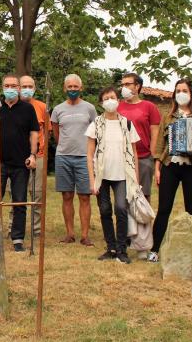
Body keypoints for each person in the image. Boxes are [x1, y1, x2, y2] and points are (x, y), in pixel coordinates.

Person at [148, 78, 192, 263]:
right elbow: (161, 145)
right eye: (177, 90)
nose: (181, 94)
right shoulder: (169, 117)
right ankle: (154, 249)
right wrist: (157, 168)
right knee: (164, 208)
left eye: (184, 90)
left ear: (191, 94)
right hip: (171, 166)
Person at [0, 73, 39, 252]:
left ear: (19, 88)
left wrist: (32, 154)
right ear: (2, 87)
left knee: (19, 202)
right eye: (6, 85)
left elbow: (34, 133)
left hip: (21, 163)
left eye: (14, 86)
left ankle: (17, 239)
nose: (10, 89)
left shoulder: (27, 109)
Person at [85, 88, 140, 264]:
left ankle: (122, 249)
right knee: (105, 210)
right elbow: (89, 154)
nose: (110, 101)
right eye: (106, 98)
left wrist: (136, 180)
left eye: (113, 97)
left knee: (121, 208)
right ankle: (111, 247)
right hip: (102, 175)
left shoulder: (127, 124)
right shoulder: (96, 124)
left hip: (123, 175)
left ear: (118, 100)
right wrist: (92, 181)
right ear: (101, 103)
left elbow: (134, 153)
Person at [51, 74, 97, 246]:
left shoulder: (90, 108)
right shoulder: (58, 109)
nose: (72, 90)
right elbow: (56, 133)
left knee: (85, 196)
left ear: (81, 88)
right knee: (67, 195)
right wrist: (64, 146)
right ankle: (69, 233)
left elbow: (96, 131)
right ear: (64, 88)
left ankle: (85, 235)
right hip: (63, 157)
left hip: (85, 157)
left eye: (75, 87)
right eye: (69, 87)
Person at [117, 72, 160, 203]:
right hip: (121, 158)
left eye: (127, 84)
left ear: (137, 86)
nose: (124, 87)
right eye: (122, 84)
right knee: (123, 198)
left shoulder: (149, 107)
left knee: (143, 197)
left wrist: (152, 156)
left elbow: (155, 132)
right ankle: (126, 224)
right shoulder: (117, 106)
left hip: (143, 158)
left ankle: (144, 223)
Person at [17, 75, 50, 236]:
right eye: (24, 86)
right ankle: (14, 228)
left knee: (37, 194)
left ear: (35, 88)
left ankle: (36, 230)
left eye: (30, 86)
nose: (27, 89)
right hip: (16, 157)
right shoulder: (11, 106)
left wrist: (39, 153)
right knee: (16, 194)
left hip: (39, 156)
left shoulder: (42, 107)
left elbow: (47, 132)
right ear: (18, 88)